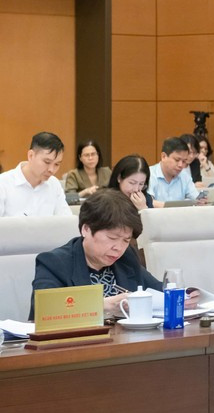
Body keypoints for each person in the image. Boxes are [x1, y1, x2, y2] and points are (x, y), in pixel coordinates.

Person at [29, 189, 163, 320]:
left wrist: (181, 295)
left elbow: (158, 290)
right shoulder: (54, 263)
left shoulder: (126, 257)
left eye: (126, 240)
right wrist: (103, 305)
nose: (119, 248)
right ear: (86, 229)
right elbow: (45, 309)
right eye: (112, 238)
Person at [0, 131, 71, 217]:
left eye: (57, 164)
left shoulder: (54, 184)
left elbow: (66, 221)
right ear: (31, 155)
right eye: (47, 162)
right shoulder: (3, 183)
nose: (51, 170)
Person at [147, 137, 200, 204]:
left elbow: (196, 199)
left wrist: (200, 201)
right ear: (163, 156)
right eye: (177, 160)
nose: (181, 165)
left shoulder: (185, 176)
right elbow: (148, 203)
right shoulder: (149, 174)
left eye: (184, 161)